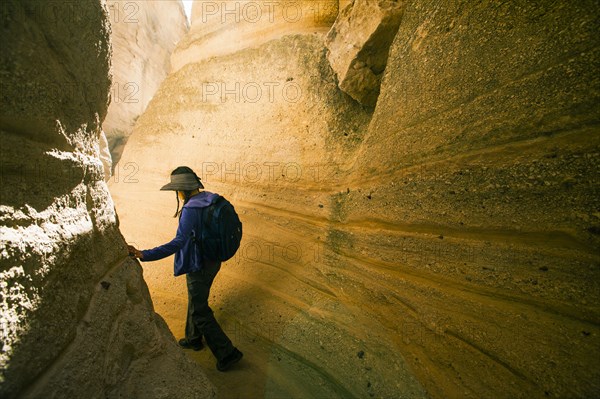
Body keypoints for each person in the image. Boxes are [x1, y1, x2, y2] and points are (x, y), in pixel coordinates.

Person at [128, 166, 243, 372]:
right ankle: (193, 338)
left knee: (200, 310)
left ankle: (227, 353)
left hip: (199, 264)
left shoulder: (191, 209)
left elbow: (178, 243)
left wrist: (145, 254)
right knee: (196, 298)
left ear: (181, 190)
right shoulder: (210, 198)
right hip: (214, 260)